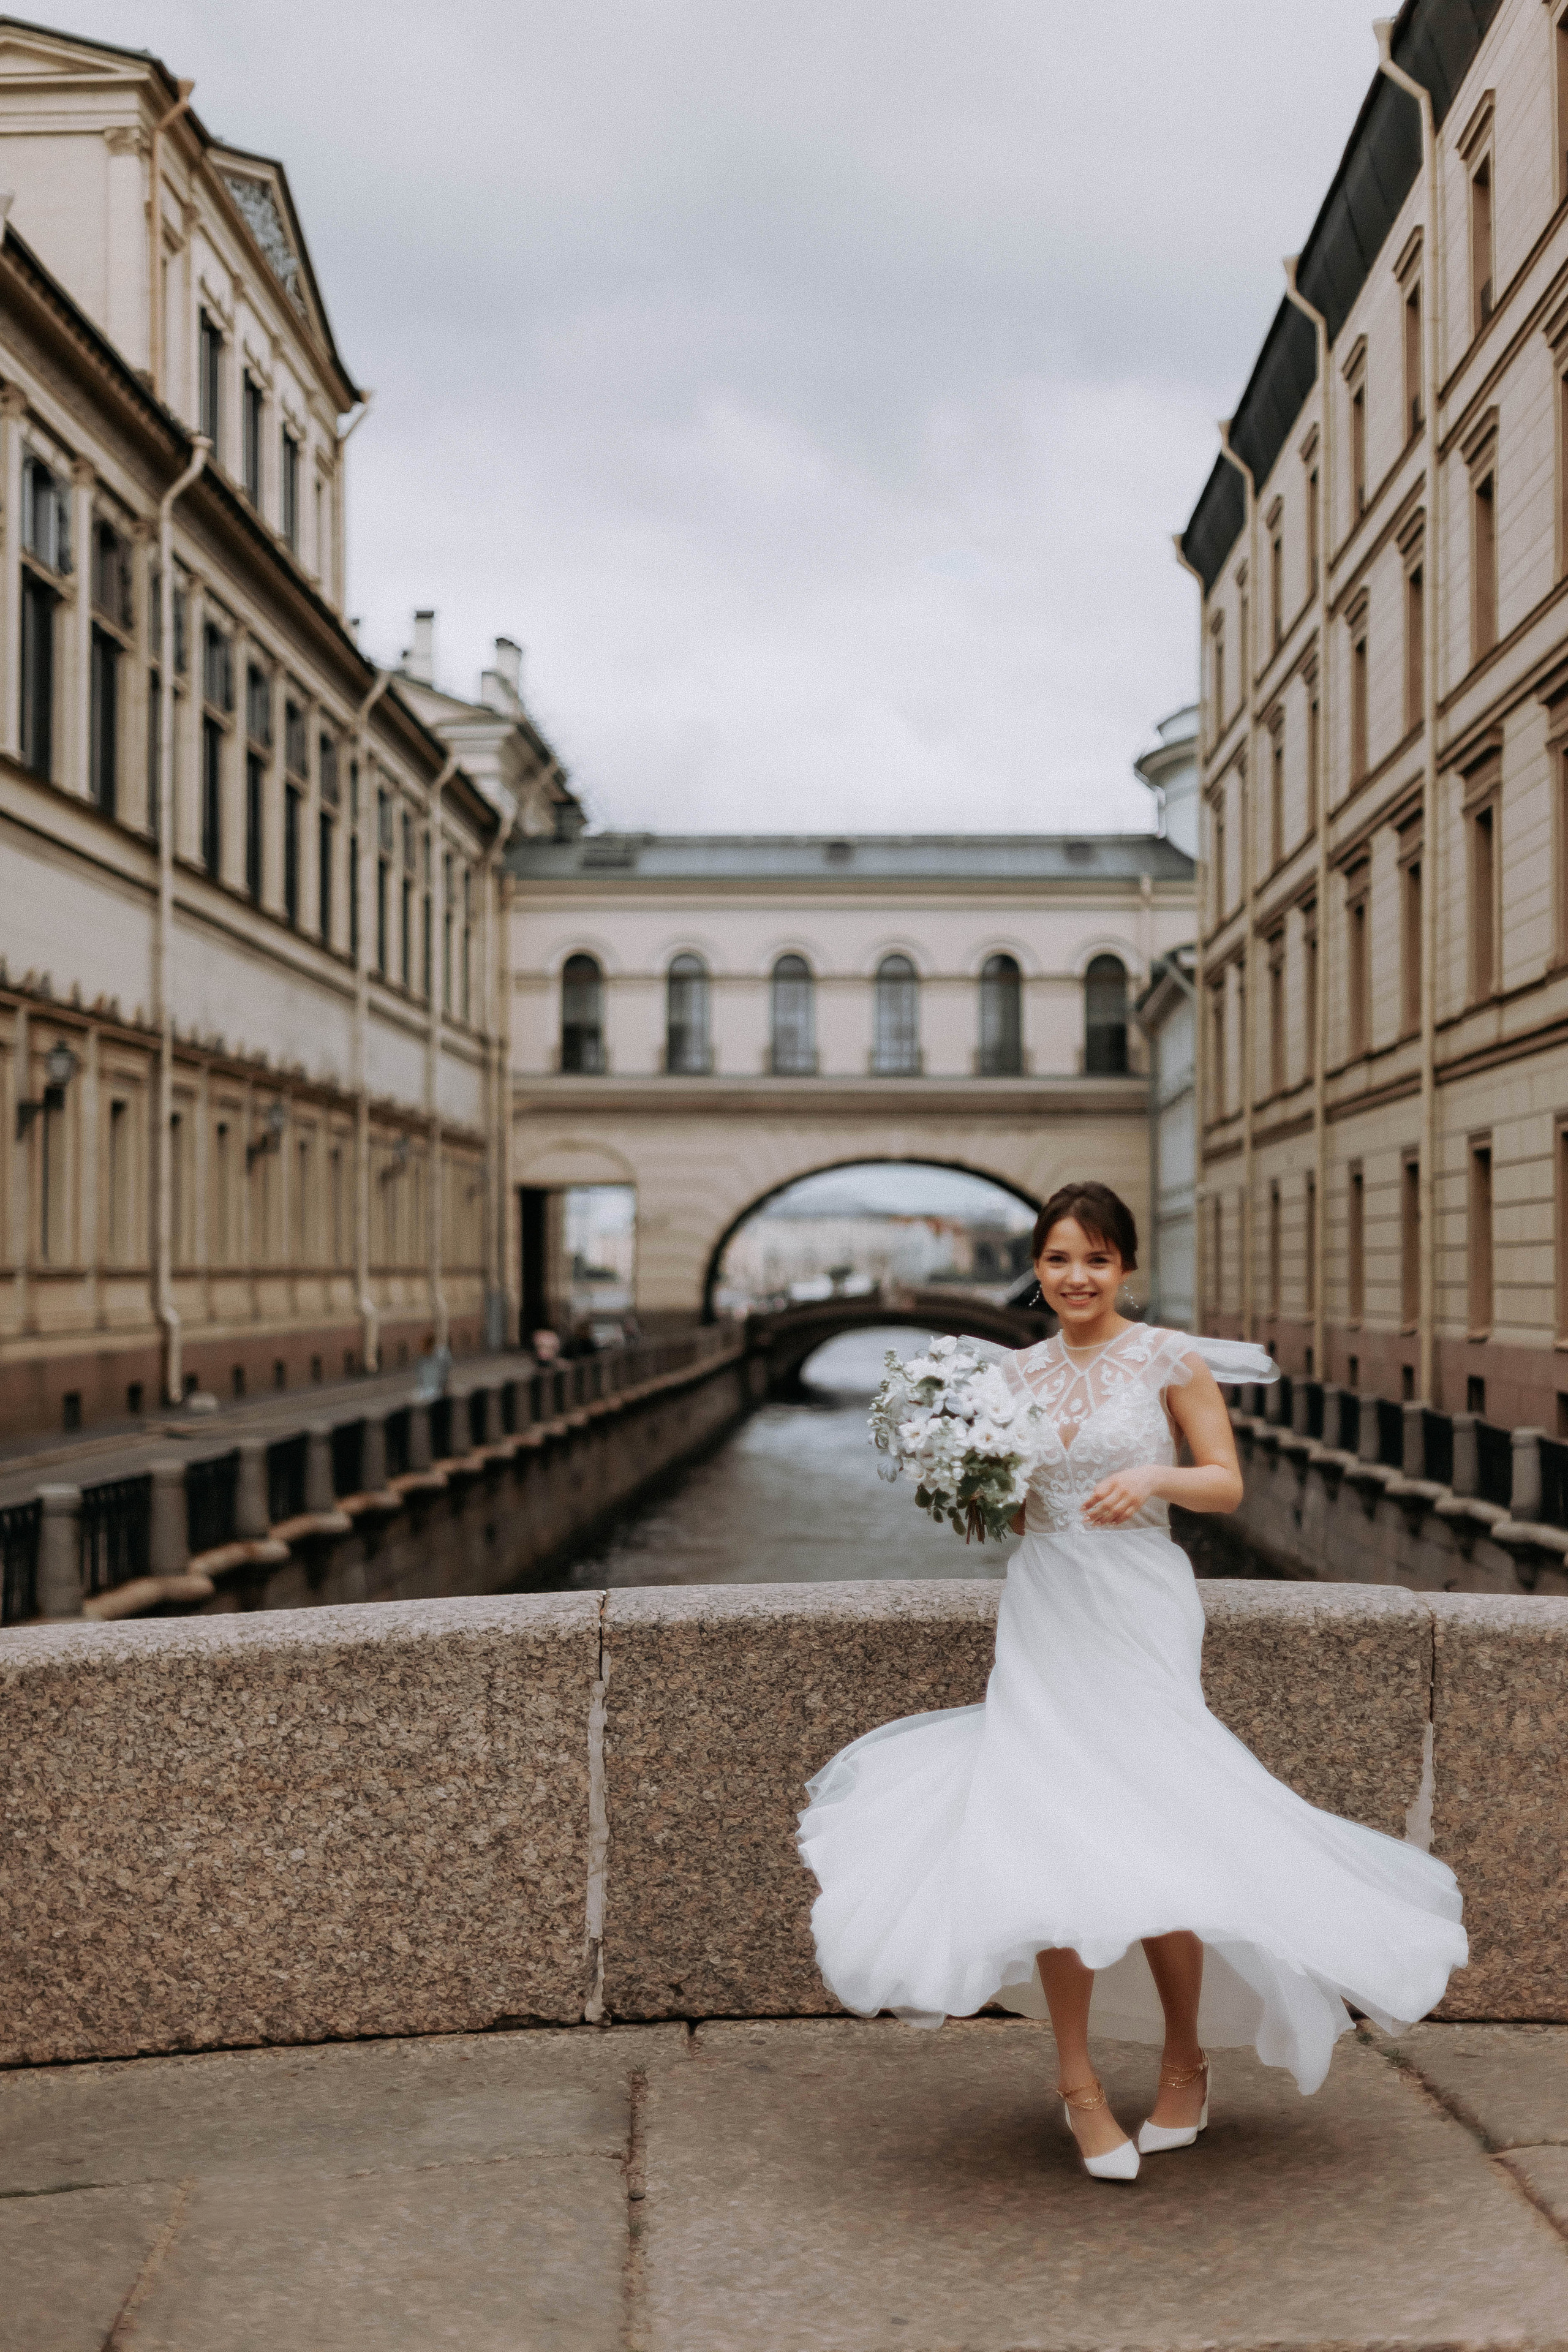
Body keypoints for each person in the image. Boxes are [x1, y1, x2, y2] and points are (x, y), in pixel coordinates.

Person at [797, 1181, 1466, 2184]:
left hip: (1141, 1604)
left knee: (1163, 1818)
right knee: (1047, 1825)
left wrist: (1151, 1479)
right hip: (1046, 1605)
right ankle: (1076, 2086)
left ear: (1126, 1270)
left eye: (1098, 1260)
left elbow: (1226, 1481)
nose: (1077, 1277)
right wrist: (970, 1477)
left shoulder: (1167, 1359)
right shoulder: (1010, 1376)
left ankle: (1184, 2061)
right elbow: (1019, 1515)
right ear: (1037, 1267)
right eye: (1060, 1259)